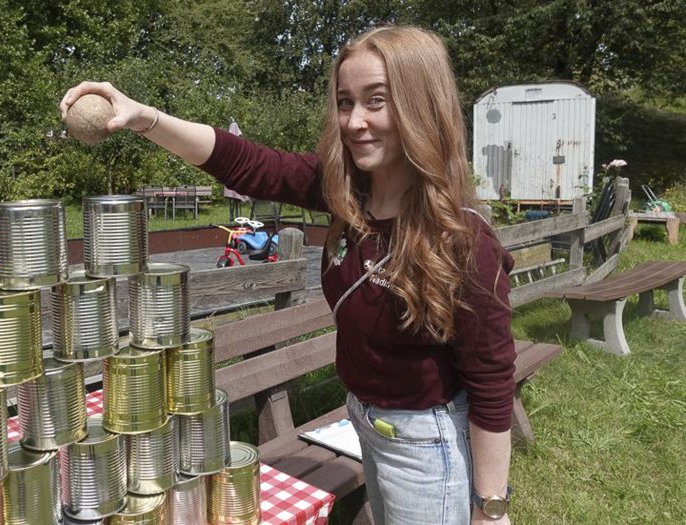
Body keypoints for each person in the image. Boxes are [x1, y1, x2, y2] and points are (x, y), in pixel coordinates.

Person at [61, 25, 515, 525]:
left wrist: (489, 508)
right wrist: (144, 117)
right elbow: (244, 163)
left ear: (420, 105)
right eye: (345, 102)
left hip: (426, 447)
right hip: (364, 421)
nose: (355, 121)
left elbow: (491, 383)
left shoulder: (464, 241)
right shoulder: (346, 192)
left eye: (376, 101)